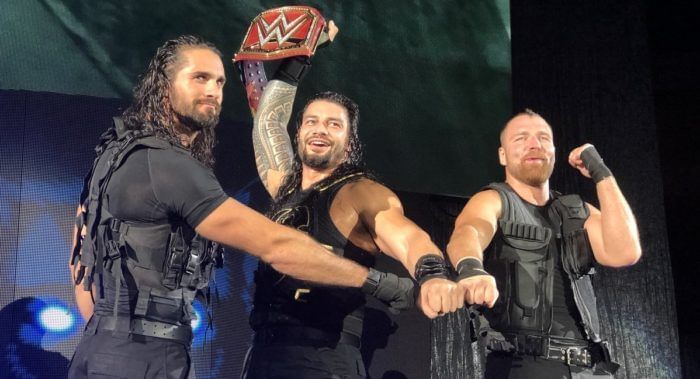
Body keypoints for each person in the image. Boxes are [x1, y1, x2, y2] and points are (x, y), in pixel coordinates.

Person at [67, 35, 407, 379]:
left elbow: (81, 253)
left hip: (106, 347)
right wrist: (377, 282)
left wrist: (110, 327)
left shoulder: (118, 153)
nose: (213, 90)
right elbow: (278, 246)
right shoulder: (170, 165)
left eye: (219, 81)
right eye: (199, 78)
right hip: (142, 355)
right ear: (164, 85)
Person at [238, 25, 464, 378]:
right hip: (265, 355)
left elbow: (407, 237)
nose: (320, 130)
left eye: (333, 124)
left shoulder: (360, 192)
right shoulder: (284, 184)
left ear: (349, 142)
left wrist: (432, 274)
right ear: (298, 133)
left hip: (324, 358)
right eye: (311, 121)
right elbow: (267, 124)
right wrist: (300, 56)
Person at [446, 110, 641, 378]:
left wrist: (601, 173)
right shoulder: (494, 200)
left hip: (590, 369)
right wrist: (471, 268)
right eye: (521, 139)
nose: (534, 144)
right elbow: (468, 231)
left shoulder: (575, 209)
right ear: (502, 155)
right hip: (524, 365)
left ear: (553, 151)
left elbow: (625, 252)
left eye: (543, 138)